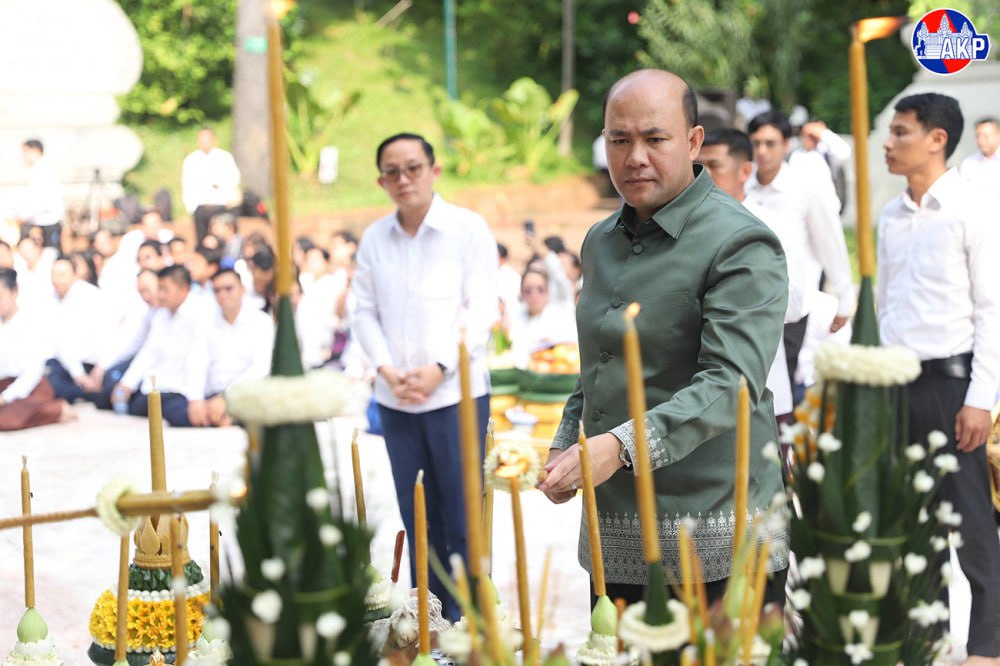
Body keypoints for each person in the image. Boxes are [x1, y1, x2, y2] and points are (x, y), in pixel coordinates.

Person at [538, 70, 789, 607]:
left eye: (655, 139)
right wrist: (566, 442)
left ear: (694, 142)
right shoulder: (601, 240)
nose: (635, 158)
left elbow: (731, 384)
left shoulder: (740, 241)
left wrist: (619, 447)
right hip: (615, 525)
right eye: (619, 140)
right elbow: (600, 359)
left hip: (715, 529)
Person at [351, 132, 498, 621]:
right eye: (392, 172)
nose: (403, 179)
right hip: (396, 399)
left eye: (413, 168)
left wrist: (440, 368)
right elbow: (362, 311)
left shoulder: (468, 229)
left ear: (434, 171)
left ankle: (470, 623)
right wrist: (386, 368)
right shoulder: (374, 239)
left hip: (456, 396)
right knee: (418, 517)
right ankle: (427, 624)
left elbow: (481, 309)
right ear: (381, 181)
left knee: (463, 517)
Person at [878, 93, 1000, 665]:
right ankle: (927, 641)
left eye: (901, 132)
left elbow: (992, 311)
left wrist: (979, 398)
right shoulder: (890, 216)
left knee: (972, 526)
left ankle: (987, 648)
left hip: (952, 387)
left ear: (936, 139)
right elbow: (885, 307)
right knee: (913, 525)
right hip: (896, 386)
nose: (888, 143)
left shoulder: (973, 208)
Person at [745, 110, 855, 396]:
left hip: (792, 308)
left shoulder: (805, 188)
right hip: (748, 307)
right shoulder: (743, 188)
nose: (762, 151)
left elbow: (830, 242)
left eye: (770, 143)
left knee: (787, 394)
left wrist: (845, 298)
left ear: (786, 145)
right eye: (756, 143)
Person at [699, 128, 805, 422]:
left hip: (761, 386)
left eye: (714, 165)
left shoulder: (773, 226)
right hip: (694, 393)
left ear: (745, 171)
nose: (703, 175)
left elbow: (795, 302)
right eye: (698, 166)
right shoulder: (681, 225)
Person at [113, 265, 210, 427]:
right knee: (110, 394)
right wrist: (127, 383)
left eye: (165, 289)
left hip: (183, 390)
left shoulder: (199, 313)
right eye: (159, 289)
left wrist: (195, 398)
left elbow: (199, 358)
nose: (160, 295)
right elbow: (148, 352)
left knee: (176, 413)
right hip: (158, 386)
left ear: (183, 289)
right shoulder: (161, 314)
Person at [199, 269, 274, 427]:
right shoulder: (205, 323)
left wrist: (226, 397)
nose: (223, 295)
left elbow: (261, 368)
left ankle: (230, 417)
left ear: (243, 289)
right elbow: (197, 363)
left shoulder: (261, 322)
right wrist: (196, 401)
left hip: (247, 394)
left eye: (228, 288)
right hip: (211, 397)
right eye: (217, 290)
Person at [0, 268, 67, 430]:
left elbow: (33, 372)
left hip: (30, 387)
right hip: (3, 384)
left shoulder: (30, 323)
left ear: (14, 291)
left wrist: (5, 398)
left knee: (6, 420)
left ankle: (57, 410)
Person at [43, 257, 107, 403]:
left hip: (90, 362)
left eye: (62, 274)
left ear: (74, 275)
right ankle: (83, 391)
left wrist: (101, 367)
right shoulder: (49, 299)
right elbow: (61, 344)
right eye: (53, 274)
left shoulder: (90, 295)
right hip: (62, 363)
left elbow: (104, 334)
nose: (56, 279)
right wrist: (79, 375)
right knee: (47, 382)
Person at [507, 268, 578, 368]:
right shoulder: (514, 317)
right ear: (521, 293)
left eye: (540, 289)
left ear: (547, 291)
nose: (534, 295)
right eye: (528, 290)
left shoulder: (561, 316)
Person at [181, 128, 241, 243]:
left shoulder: (225, 157)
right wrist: (192, 207)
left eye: (207, 140)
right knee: (203, 241)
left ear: (214, 140)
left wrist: (223, 188)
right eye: (201, 140)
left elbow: (234, 179)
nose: (204, 143)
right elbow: (187, 186)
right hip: (201, 208)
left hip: (222, 206)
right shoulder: (191, 160)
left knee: (225, 240)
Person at [14, 139, 63, 249]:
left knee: (49, 253)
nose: (24, 156)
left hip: (47, 223)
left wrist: (24, 215)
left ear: (35, 150)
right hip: (40, 222)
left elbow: (42, 200)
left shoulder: (43, 169)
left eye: (26, 151)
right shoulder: (38, 168)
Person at [959, 116, 1000, 192]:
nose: (981, 141)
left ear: (998, 135)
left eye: (986, 136)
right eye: (978, 136)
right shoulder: (968, 163)